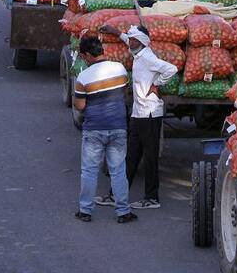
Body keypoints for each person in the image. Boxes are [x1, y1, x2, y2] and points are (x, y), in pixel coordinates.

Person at [97, 24, 178, 210]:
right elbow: (128, 41)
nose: (131, 42)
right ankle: (115, 194)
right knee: (131, 157)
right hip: (138, 114)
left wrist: (156, 84)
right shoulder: (138, 53)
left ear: (141, 42)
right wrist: (117, 33)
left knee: (150, 158)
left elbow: (171, 69)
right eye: (131, 39)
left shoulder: (148, 58)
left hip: (149, 115)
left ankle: (152, 198)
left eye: (134, 40)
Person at [72, 36, 136, 223]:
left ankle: (85, 211)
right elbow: (124, 93)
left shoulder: (84, 77)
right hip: (118, 127)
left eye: (83, 56)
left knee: (89, 171)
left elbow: (80, 106)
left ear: (86, 55)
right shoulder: (120, 69)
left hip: (94, 129)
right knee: (118, 170)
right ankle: (123, 212)